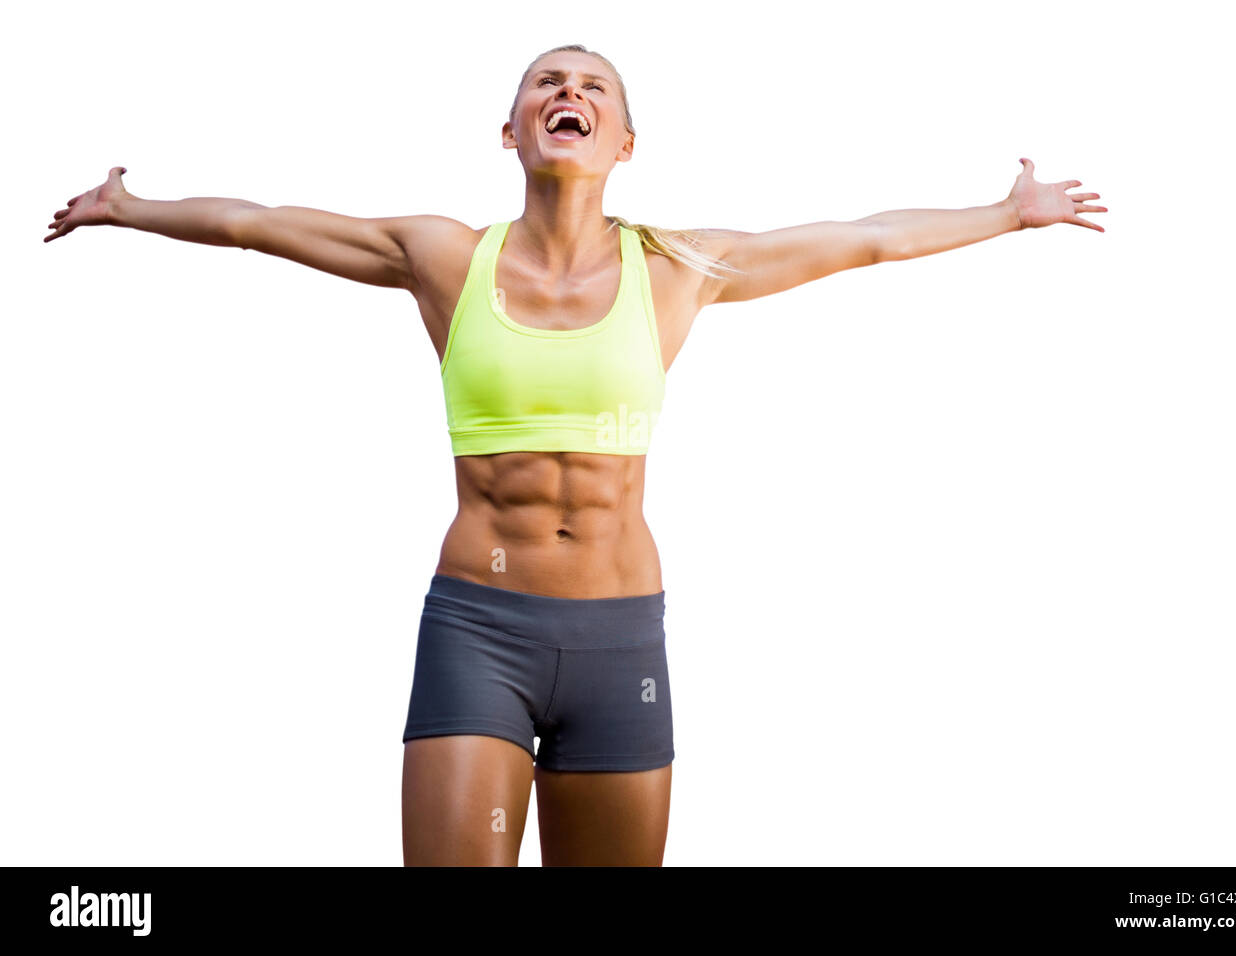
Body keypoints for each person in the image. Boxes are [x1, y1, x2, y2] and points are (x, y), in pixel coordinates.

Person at [44, 43, 1106, 866]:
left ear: (622, 142)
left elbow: (863, 237)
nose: (570, 92)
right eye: (548, 83)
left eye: (593, 87)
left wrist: (1008, 214)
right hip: (479, 627)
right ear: (509, 129)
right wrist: (131, 208)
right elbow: (258, 224)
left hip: (618, 643)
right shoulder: (444, 257)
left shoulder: (681, 267)